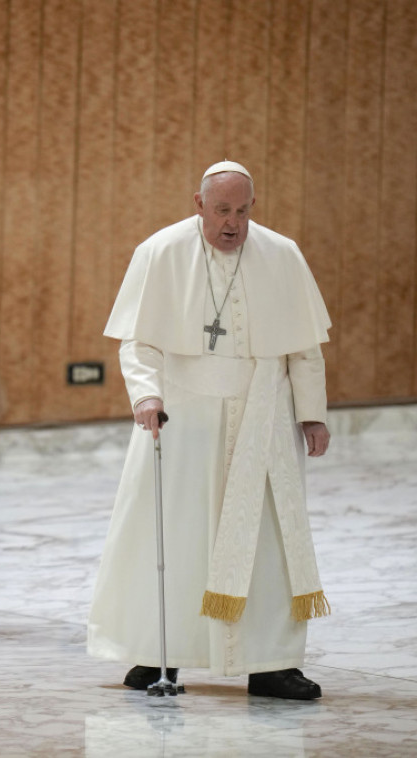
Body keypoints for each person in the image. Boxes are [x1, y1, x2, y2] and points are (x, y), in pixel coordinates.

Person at [87, 161, 332, 699]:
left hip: (263, 412)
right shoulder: (159, 252)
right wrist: (147, 395)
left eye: (243, 211)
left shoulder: (282, 254)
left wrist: (311, 412)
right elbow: (139, 341)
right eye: (222, 210)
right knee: (174, 534)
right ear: (198, 204)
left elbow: (303, 347)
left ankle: (271, 663)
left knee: (268, 541)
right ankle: (158, 654)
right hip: (184, 417)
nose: (233, 224)